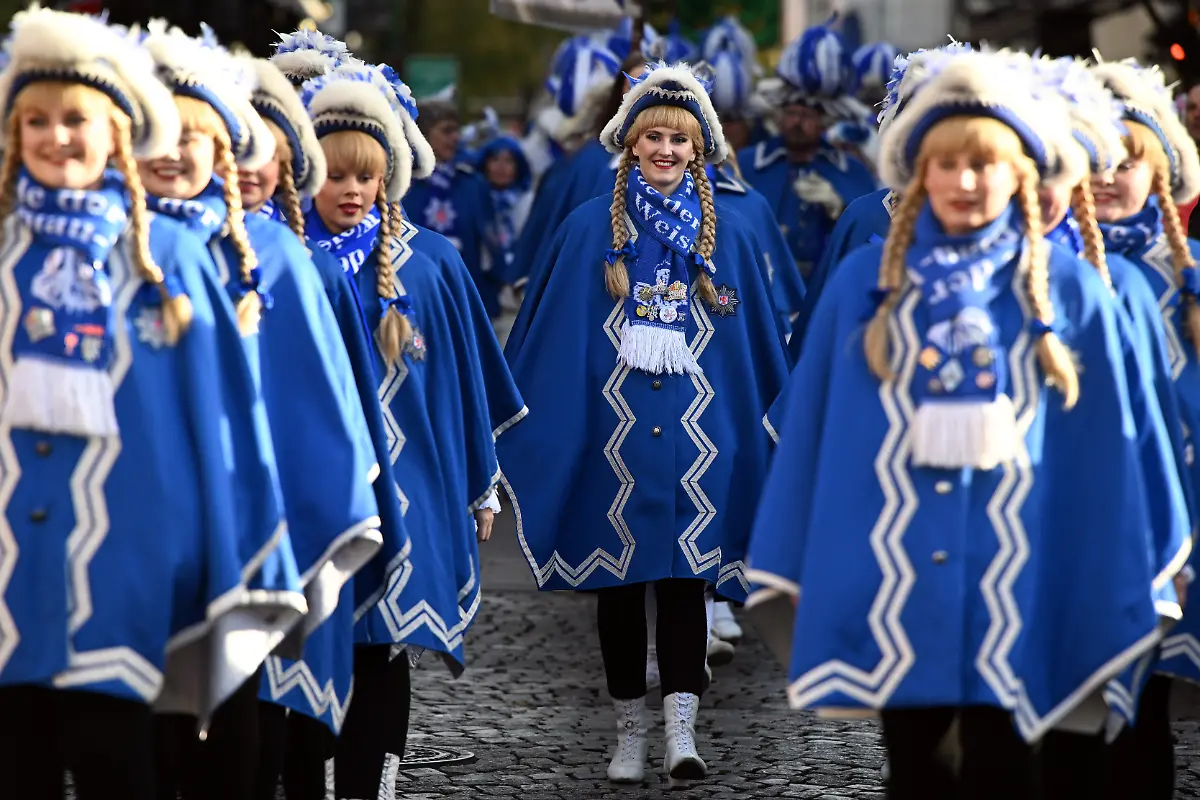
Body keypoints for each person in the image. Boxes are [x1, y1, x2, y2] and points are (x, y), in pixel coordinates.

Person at [747, 48, 1179, 799]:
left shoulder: (1070, 288)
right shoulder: (866, 284)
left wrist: (1117, 565)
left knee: (1010, 772)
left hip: (1028, 581)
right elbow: (824, 439)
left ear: (1022, 174)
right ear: (918, 174)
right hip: (902, 583)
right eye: (946, 165)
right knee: (919, 771)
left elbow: (1117, 448)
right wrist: (809, 557)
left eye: (985, 164)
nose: (966, 183)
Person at [0, 8, 304, 797]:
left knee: (118, 770)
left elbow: (228, 424)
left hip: (127, 580)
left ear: (116, 139)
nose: (57, 137)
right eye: (37, 121)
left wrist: (243, 558)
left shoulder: (166, 260)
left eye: (77, 120)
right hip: (7, 580)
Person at [498, 61, 789, 787]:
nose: (665, 150)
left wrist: (759, 431)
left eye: (679, 141)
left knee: (691, 582)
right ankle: (628, 732)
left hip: (703, 439)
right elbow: (552, 334)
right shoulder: (588, 227)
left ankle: (681, 734)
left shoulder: (735, 232)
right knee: (620, 586)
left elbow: (754, 349)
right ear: (628, 144)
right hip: (614, 438)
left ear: (700, 150)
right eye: (652, 137)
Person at [135, 22, 384, 800]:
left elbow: (329, 405)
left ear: (282, 162)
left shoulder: (287, 262)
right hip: (151, 519)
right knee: (148, 722)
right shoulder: (131, 244)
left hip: (258, 517)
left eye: (255, 148)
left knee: (254, 713)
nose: (239, 165)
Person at [301, 59, 518, 798]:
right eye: (335, 175)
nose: (352, 191)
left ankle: (374, 785)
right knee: (308, 646)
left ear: (390, 176)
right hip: (314, 496)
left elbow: (462, 386)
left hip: (412, 489)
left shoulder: (430, 265)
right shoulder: (280, 259)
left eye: (367, 176)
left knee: (384, 649)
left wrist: (480, 481)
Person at [1090, 57, 1200, 800]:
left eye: (1128, 161)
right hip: (1080, 521)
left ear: (1158, 172)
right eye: (1095, 161)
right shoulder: (1044, 271)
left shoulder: (1192, 272)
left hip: (1183, 517)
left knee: (1149, 706)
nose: (1109, 176)